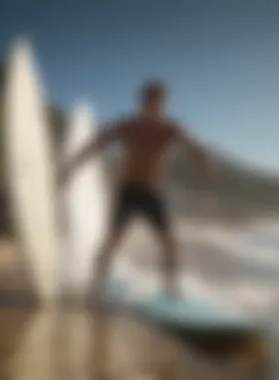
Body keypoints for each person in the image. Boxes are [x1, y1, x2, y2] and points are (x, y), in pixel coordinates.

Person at [59, 80, 216, 302]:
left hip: (153, 193)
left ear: (164, 104)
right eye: (149, 102)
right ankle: (95, 284)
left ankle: (171, 289)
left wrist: (204, 159)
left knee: (170, 242)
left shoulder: (170, 130)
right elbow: (97, 143)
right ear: (141, 103)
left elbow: (191, 144)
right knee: (112, 239)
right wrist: (72, 166)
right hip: (128, 192)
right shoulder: (128, 126)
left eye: (158, 103)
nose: (153, 108)